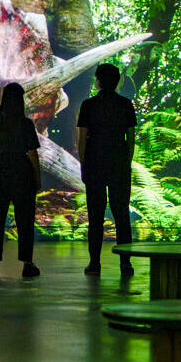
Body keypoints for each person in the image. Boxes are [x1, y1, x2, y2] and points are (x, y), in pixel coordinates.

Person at [77, 63, 138, 276]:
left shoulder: (88, 105)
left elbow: (82, 139)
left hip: (95, 165)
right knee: (121, 215)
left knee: (95, 216)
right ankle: (125, 263)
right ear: (117, 81)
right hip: (119, 165)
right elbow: (130, 139)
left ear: (99, 81)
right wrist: (126, 163)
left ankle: (94, 263)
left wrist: (84, 164)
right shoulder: (126, 105)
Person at [0, 82, 41, 278]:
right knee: (25, 220)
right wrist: (37, 177)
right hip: (21, 172)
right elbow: (32, 153)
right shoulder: (25, 124)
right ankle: (27, 263)